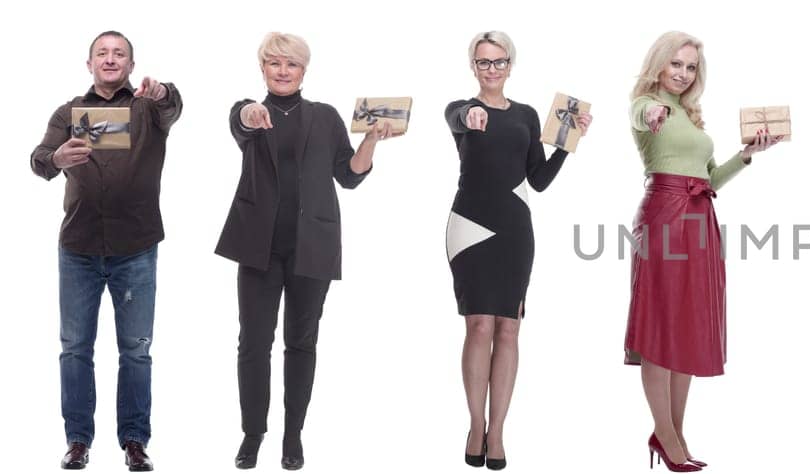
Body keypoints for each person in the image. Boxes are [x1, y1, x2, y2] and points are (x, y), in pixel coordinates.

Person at [215, 32, 399, 471]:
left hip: (311, 248)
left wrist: (371, 142)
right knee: (254, 344)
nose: (282, 71)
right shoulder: (250, 112)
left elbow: (349, 175)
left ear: (303, 71)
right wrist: (249, 112)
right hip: (258, 248)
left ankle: (292, 434)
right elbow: (241, 120)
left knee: (302, 343)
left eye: (291, 64)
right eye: (274, 63)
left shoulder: (325, 116)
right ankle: (252, 433)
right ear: (262, 68)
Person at [623, 30, 782, 473]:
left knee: (689, 324)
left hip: (698, 216)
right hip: (663, 215)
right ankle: (667, 435)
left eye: (690, 67)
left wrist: (746, 155)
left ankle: (673, 431)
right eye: (676, 64)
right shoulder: (646, 104)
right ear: (659, 63)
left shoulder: (690, 114)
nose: (683, 73)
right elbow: (641, 114)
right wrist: (652, 110)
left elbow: (709, 179)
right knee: (661, 325)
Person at [30, 30, 181, 472]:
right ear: (89, 63)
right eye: (103, 53)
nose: (110, 59)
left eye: (119, 54)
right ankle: (77, 441)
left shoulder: (149, 109)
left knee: (136, 349)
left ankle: (135, 441)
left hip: (135, 249)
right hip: (78, 248)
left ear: (131, 66)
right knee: (75, 348)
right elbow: (38, 159)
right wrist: (57, 159)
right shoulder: (68, 112)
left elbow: (174, 104)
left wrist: (162, 91)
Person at [443, 30, 591, 471]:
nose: (492, 69)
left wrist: (567, 143)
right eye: (484, 62)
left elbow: (539, 180)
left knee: (509, 327)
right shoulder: (458, 110)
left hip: (514, 228)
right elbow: (459, 117)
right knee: (479, 327)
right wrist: (471, 115)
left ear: (511, 65)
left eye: (499, 61)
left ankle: (498, 431)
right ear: (473, 66)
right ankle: (474, 425)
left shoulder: (527, 116)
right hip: (469, 225)